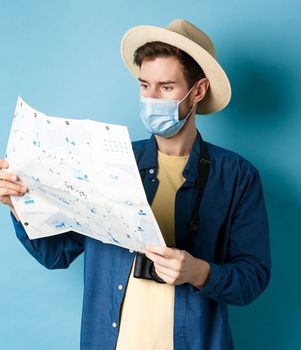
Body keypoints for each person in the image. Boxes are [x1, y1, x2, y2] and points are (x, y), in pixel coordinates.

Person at [0, 19, 271, 349]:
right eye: (145, 86)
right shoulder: (104, 162)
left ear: (197, 91)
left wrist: (198, 272)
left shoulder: (237, 176)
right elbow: (56, 254)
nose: (151, 98)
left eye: (166, 87)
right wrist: (19, 206)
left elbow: (253, 279)